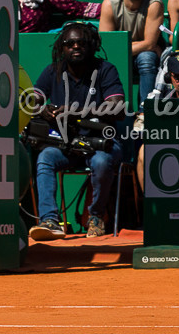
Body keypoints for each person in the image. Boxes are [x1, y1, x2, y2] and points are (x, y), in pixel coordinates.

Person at [27, 22, 128, 241]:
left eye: (81, 43)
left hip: (102, 142)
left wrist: (76, 112)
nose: (75, 47)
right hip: (67, 144)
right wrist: (43, 109)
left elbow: (118, 108)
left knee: (101, 162)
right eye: (69, 43)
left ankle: (96, 216)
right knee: (45, 157)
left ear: (91, 45)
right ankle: (49, 221)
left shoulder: (105, 69)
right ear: (61, 48)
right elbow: (32, 100)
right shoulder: (53, 70)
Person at [98, 0, 165, 101]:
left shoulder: (154, 4)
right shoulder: (110, 4)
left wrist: (119, 47)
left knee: (146, 57)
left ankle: (145, 111)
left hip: (144, 58)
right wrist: (143, 46)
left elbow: (149, 45)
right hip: (119, 57)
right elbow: (107, 47)